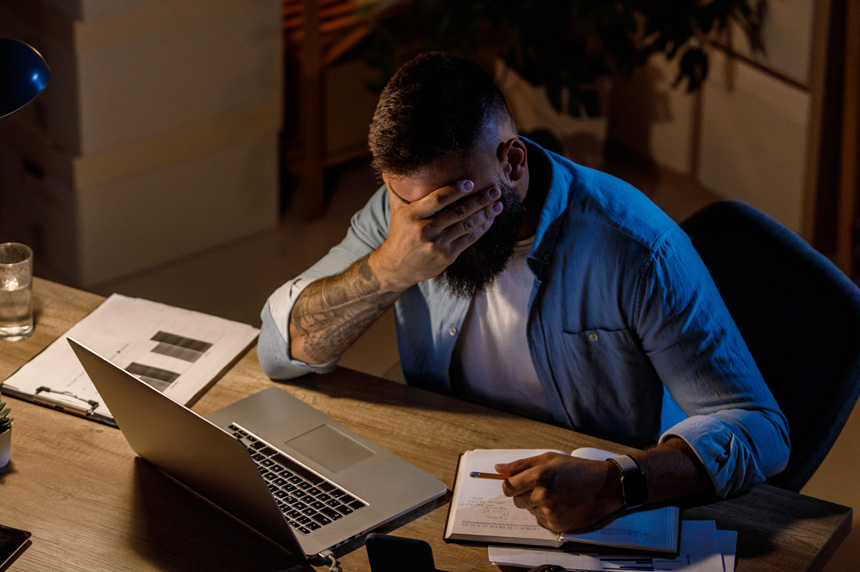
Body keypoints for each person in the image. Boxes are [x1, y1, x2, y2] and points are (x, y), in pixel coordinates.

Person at [258, 52, 789, 532]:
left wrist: (616, 482)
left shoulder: (638, 247)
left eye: (452, 207)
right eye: (407, 205)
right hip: (447, 471)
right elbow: (282, 349)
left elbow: (761, 430)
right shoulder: (403, 218)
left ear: (512, 163)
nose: (430, 232)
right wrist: (388, 269)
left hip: (598, 509)